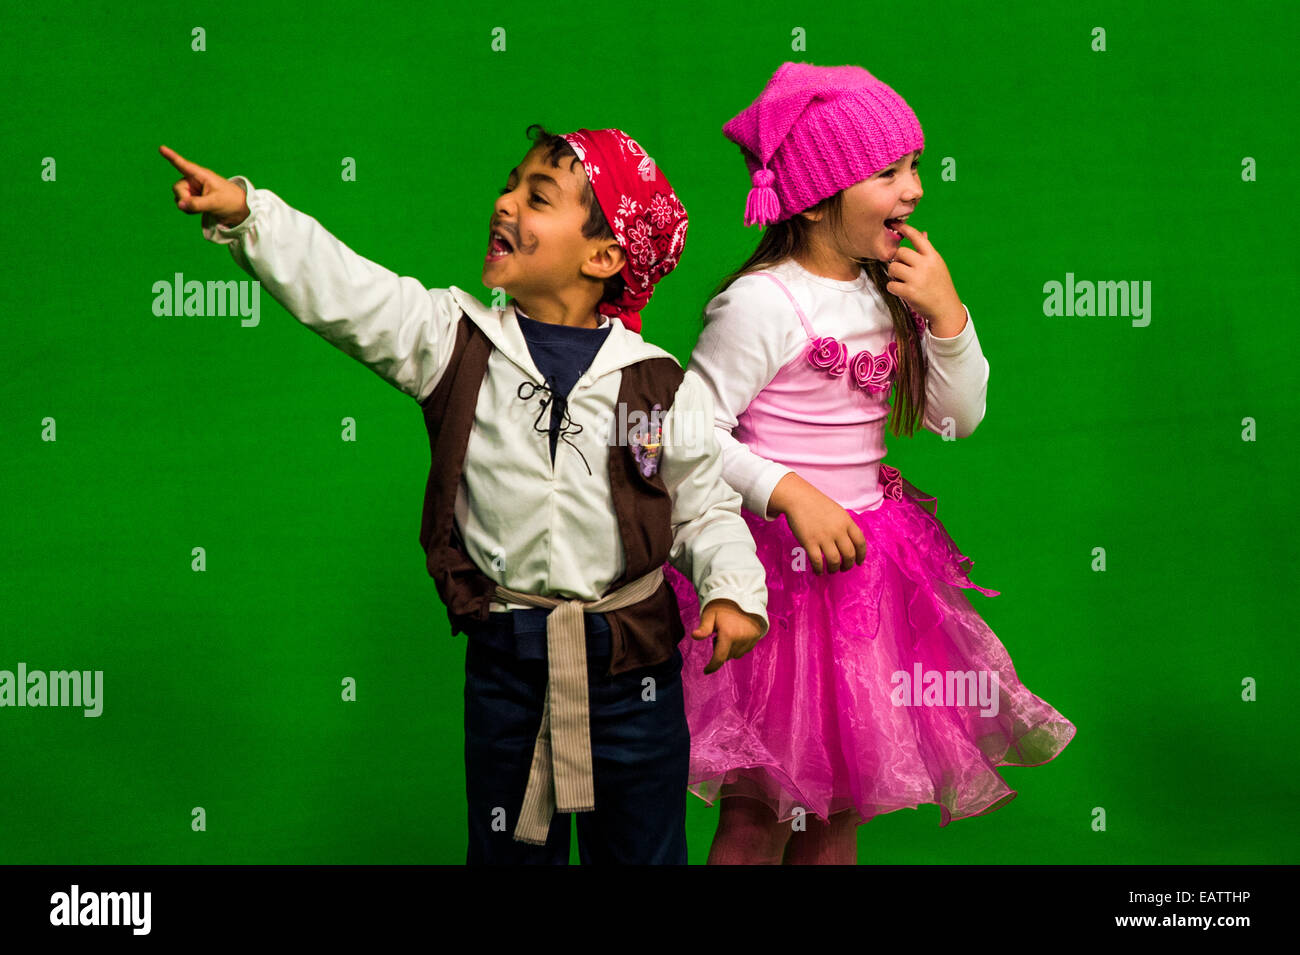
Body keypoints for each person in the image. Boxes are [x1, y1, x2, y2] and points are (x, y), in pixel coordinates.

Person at [159, 124, 769, 865]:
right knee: (508, 851)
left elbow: (703, 506)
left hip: (632, 674)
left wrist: (732, 589)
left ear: (605, 256)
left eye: (536, 196)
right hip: (508, 669)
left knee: (643, 853)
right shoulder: (451, 339)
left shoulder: (658, 381)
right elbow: (347, 289)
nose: (505, 202)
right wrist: (249, 214)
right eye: (510, 183)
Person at [662, 62, 1077, 865]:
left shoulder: (887, 292)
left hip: (866, 579)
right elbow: (685, 430)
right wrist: (786, 491)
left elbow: (957, 418)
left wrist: (948, 317)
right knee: (756, 815)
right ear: (820, 195)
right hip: (775, 578)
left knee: (840, 809)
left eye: (915, 165)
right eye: (890, 172)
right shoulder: (762, 303)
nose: (915, 188)